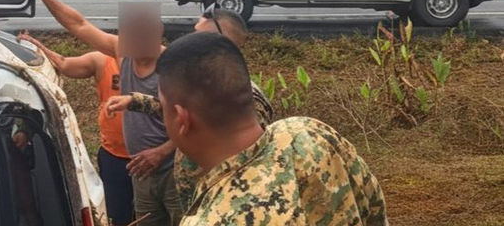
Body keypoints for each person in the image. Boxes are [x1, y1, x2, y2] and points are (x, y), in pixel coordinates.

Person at [157, 32, 388, 225]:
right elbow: (375, 210)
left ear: (181, 119)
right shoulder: (309, 133)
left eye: (162, 106)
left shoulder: (210, 219)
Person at [28, 0, 181, 226]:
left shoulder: (174, 65)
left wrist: (161, 152)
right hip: (138, 170)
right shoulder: (122, 51)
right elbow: (79, 24)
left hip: (171, 169)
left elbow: (196, 121)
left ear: (159, 30)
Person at [105, 5, 273, 212]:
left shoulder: (246, 97)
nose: (190, 42)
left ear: (220, 40)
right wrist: (134, 101)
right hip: (188, 189)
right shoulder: (205, 81)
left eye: (197, 36)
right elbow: (181, 112)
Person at [15, 31, 135, 226]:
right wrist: (38, 47)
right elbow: (63, 64)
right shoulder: (102, 60)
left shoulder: (160, 62)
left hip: (151, 157)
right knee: (117, 215)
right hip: (114, 156)